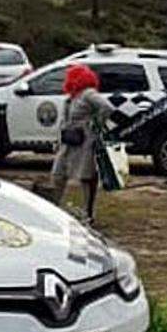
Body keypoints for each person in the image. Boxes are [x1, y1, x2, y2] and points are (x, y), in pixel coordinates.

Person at [50, 64, 112, 224]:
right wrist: (58, 139)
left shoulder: (89, 94)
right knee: (58, 173)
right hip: (68, 139)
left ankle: (88, 213)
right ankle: (53, 208)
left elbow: (106, 107)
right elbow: (64, 120)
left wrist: (95, 124)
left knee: (86, 176)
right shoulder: (72, 97)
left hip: (84, 141)